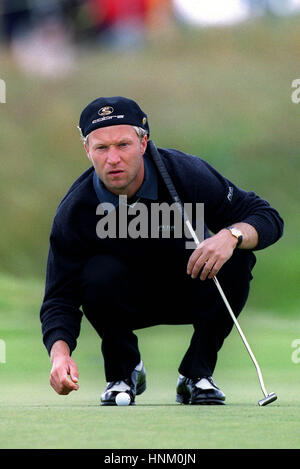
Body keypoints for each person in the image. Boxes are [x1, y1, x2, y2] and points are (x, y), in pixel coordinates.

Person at [40, 96, 284, 405]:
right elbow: (59, 296)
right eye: (101, 148)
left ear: (143, 144)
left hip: (192, 289)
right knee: (95, 274)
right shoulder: (76, 210)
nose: (113, 158)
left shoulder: (186, 174)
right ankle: (123, 373)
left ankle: (197, 375)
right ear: (88, 151)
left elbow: (265, 216)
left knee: (237, 257)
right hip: (124, 303)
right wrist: (59, 357)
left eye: (123, 145)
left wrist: (231, 234)